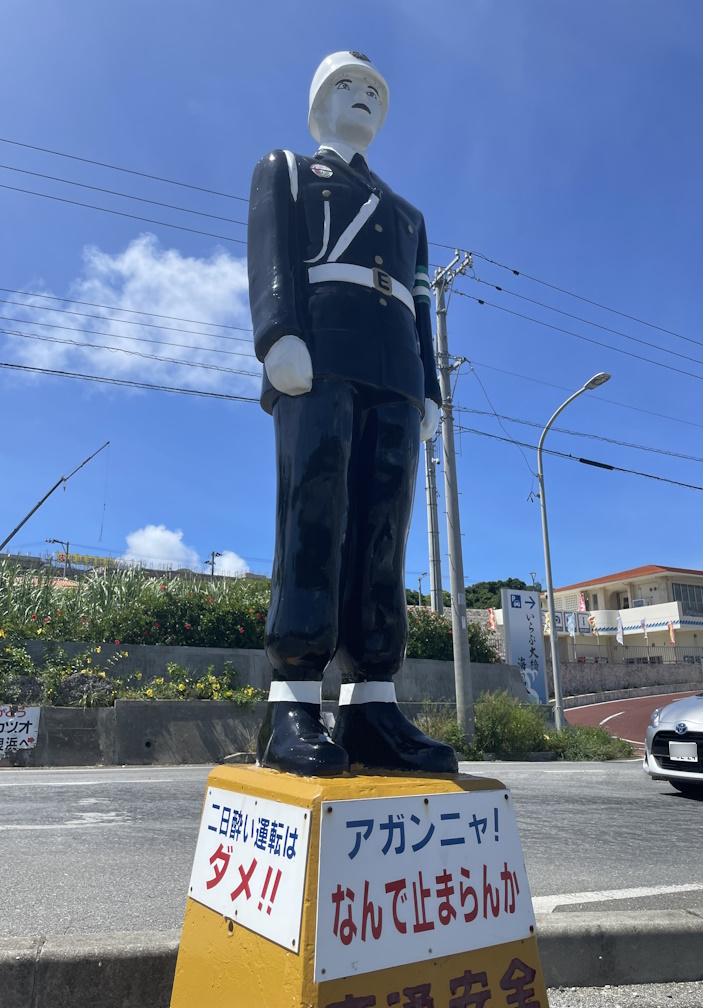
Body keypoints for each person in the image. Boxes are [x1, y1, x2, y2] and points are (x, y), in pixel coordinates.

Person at [247, 51, 457, 776]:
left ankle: (373, 705)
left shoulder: (409, 214)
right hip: (322, 352)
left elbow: (422, 305)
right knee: (315, 511)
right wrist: (277, 332)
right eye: (348, 85)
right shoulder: (288, 169)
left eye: (374, 90)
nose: (363, 96)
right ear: (317, 102)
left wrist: (429, 385)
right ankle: (293, 699)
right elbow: (273, 256)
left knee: (383, 532)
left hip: (396, 368)